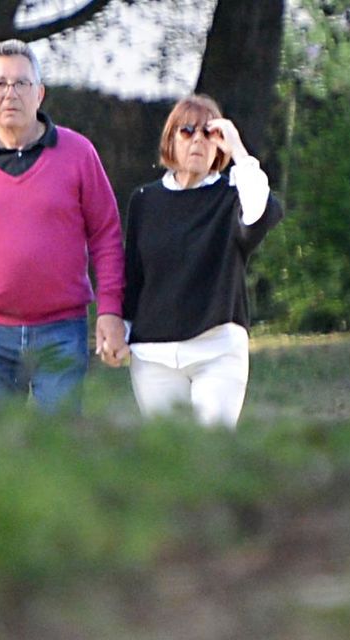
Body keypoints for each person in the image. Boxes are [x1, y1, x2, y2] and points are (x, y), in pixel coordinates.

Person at [0, 39, 128, 413]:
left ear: (40, 93)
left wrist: (110, 312)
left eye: (21, 83)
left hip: (61, 330)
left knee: (58, 442)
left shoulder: (79, 153)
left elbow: (107, 236)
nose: (10, 93)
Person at [121, 94, 283, 428]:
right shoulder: (145, 200)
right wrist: (120, 330)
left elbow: (261, 212)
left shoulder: (230, 197)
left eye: (208, 133)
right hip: (153, 356)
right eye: (187, 131)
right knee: (169, 453)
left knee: (212, 451)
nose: (197, 140)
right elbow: (134, 275)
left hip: (217, 349)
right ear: (171, 140)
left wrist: (238, 150)